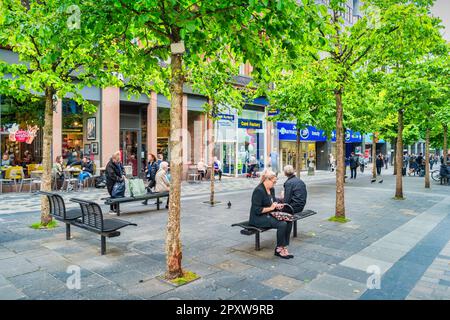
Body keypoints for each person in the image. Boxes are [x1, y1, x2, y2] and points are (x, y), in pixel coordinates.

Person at [250, 169, 293, 259]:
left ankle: (283, 246)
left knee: (289, 219)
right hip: (257, 218)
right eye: (273, 182)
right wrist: (271, 208)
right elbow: (256, 210)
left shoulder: (271, 189)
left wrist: (278, 204)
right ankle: (278, 250)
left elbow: (273, 201)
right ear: (267, 179)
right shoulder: (258, 191)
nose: (274, 184)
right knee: (282, 224)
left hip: (268, 215)